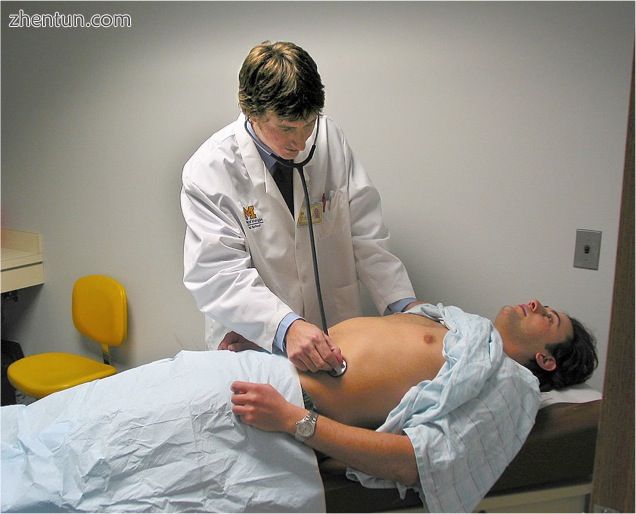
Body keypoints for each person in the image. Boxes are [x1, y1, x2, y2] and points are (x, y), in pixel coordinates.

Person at [2, 298, 597, 513]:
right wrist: (265, 341)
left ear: (545, 361)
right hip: (254, 372)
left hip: (273, 412)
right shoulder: (463, 328)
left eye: (550, 319)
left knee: (103, 462)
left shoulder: (507, 387)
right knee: (84, 422)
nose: (536, 303)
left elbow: (420, 462)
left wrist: (296, 421)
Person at [181, 41, 420, 373]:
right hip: (256, 344)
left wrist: (405, 306)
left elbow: (366, 236)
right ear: (251, 111)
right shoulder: (210, 170)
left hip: (336, 334)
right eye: (286, 128)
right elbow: (218, 275)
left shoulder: (329, 139)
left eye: (308, 124)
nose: (301, 141)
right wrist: (284, 327)